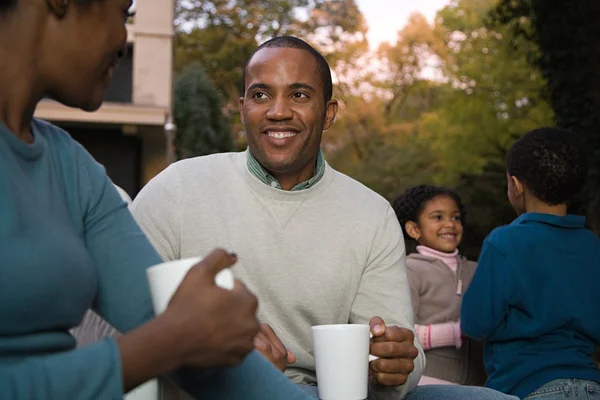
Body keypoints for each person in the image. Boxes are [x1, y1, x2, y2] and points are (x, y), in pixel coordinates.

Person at [131, 35, 517, 400]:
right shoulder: (178, 189)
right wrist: (211, 352)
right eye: (261, 95)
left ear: (328, 112)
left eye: (299, 95)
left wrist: (396, 364)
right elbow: (120, 318)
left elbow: (399, 350)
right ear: (243, 108)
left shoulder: (370, 213)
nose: (278, 111)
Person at [0, 1, 316, 399]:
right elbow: (172, 335)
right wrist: (159, 347)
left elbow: (178, 332)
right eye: (122, 11)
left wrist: (195, 332)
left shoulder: (73, 169)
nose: (122, 40)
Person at [461, 127, 600, 399]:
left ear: (516, 185)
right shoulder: (593, 245)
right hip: (591, 384)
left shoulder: (505, 242)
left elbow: (474, 323)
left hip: (526, 386)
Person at [392, 185, 486, 386]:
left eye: (456, 218)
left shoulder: (477, 269)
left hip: (478, 384)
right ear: (414, 229)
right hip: (427, 382)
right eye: (437, 217)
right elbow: (404, 333)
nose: (450, 224)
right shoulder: (409, 270)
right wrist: (457, 332)